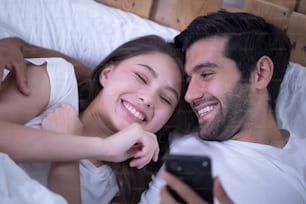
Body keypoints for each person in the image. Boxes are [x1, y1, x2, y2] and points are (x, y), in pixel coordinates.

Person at [0, 35, 196, 204]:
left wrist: (68, 154)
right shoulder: (59, 83)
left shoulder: (123, 187)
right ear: (107, 74)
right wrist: (104, 147)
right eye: (141, 77)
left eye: (165, 99)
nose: (148, 99)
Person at [139, 11, 306, 204]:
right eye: (188, 80)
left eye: (206, 74)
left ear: (260, 73)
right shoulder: (182, 142)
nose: (189, 95)